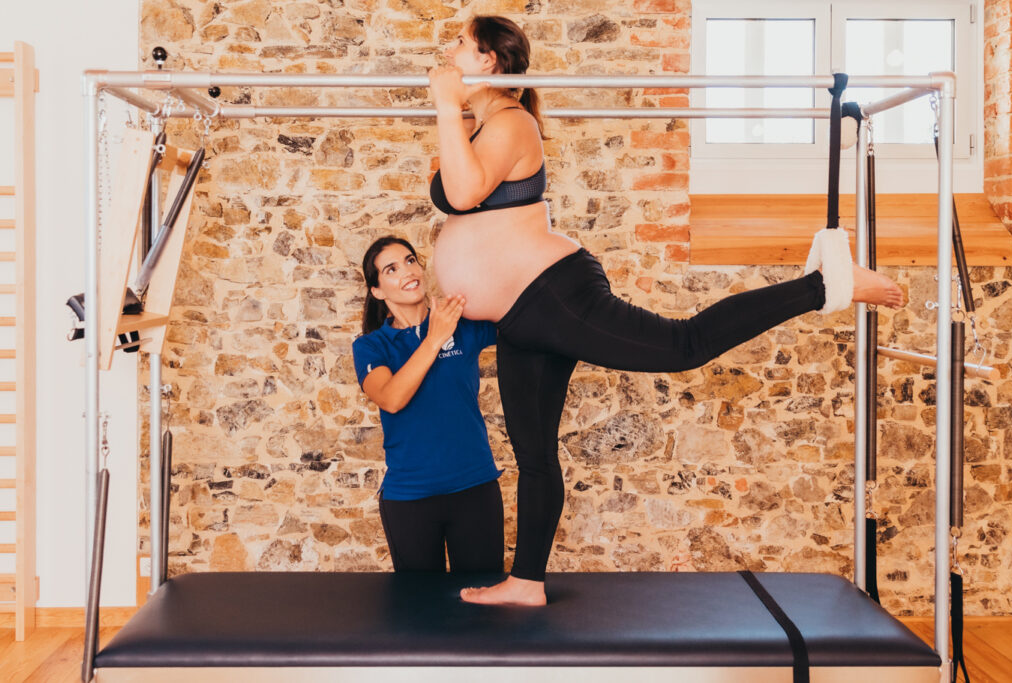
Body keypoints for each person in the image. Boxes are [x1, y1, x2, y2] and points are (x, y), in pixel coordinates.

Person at [427, 15, 904, 605]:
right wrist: (455, 111)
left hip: (551, 292)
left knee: (684, 345)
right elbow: (457, 187)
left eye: (459, 42)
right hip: (520, 316)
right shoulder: (480, 123)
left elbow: (465, 193)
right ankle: (526, 583)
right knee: (534, 454)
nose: (447, 49)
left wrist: (447, 105)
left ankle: (824, 284)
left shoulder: (511, 122)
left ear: (489, 61)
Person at [352, 236, 504, 573]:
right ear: (377, 290)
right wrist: (435, 337)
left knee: (483, 600)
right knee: (419, 604)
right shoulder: (371, 346)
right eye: (391, 269)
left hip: (475, 488)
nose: (407, 271)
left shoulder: (462, 324)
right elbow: (392, 398)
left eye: (410, 261)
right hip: (410, 498)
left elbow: (521, 319)